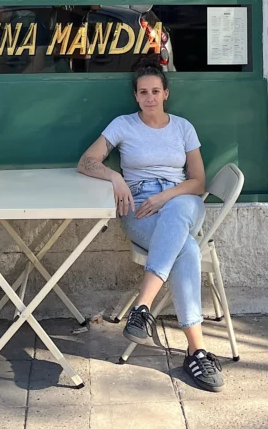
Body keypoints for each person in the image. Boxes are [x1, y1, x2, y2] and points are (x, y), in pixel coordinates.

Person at [77, 56, 224, 392]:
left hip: (182, 201)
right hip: (139, 207)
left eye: (155, 91)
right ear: (136, 96)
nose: (150, 97)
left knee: (177, 214)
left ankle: (142, 306)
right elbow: (86, 161)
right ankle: (197, 351)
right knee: (185, 247)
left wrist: (165, 197)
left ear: (166, 93)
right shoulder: (123, 124)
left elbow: (199, 181)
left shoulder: (183, 127)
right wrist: (114, 176)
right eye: (143, 92)